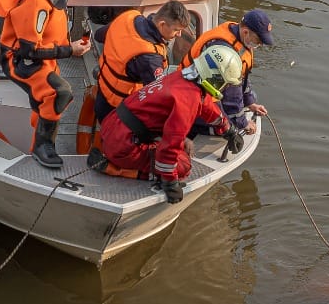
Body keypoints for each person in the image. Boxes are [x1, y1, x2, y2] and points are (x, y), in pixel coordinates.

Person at [89, 43, 245, 204]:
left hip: (113, 127)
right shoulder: (187, 100)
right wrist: (170, 182)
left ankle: (123, 160)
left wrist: (228, 130)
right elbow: (170, 146)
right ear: (216, 78)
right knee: (183, 166)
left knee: (174, 153)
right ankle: (115, 169)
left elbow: (206, 107)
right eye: (225, 83)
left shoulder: (182, 78)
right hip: (123, 145)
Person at [0, 0, 96, 168]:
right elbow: (29, 51)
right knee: (60, 93)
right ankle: (43, 147)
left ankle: (40, 131)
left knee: (48, 98)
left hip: (46, 56)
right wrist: (70, 50)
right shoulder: (38, 5)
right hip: (19, 61)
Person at [92, 0, 191, 124]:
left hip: (103, 91)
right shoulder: (150, 58)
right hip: (120, 110)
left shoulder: (128, 17)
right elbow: (157, 96)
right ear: (162, 24)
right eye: (176, 30)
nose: (179, 35)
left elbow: (99, 35)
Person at [180, 9, 274, 136]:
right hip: (191, 95)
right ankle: (192, 131)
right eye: (258, 40)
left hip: (207, 89)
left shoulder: (239, 37)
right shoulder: (225, 53)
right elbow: (232, 98)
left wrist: (250, 102)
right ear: (246, 32)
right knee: (226, 127)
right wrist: (243, 123)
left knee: (239, 109)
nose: (260, 44)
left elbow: (242, 77)